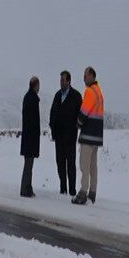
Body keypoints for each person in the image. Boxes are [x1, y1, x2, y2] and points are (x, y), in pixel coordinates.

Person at [72, 67, 104, 205]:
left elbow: (84, 111)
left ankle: (83, 192)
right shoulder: (99, 92)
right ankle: (92, 192)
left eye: (85, 76)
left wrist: (78, 123)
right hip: (96, 135)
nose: (83, 78)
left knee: (84, 165)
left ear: (91, 76)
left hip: (88, 134)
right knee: (92, 166)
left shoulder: (90, 91)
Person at [49, 70, 82, 196]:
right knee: (60, 162)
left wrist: (77, 126)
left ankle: (72, 190)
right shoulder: (57, 95)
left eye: (63, 80)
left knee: (71, 164)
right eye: (60, 80)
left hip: (70, 136)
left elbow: (81, 114)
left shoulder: (76, 96)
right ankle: (63, 188)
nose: (61, 83)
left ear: (69, 81)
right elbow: (52, 113)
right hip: (59, 136)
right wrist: (53, 128)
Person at [20, 76, 41, 197]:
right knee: (29, 165)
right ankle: (25, 189)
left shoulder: (28, 97)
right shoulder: (32, 98)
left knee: (28, 164)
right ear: (35, 85)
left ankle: (28, 187)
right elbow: (33, 120)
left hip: (28, 137)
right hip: (31, 137)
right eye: (38, 85)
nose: (39, 88)